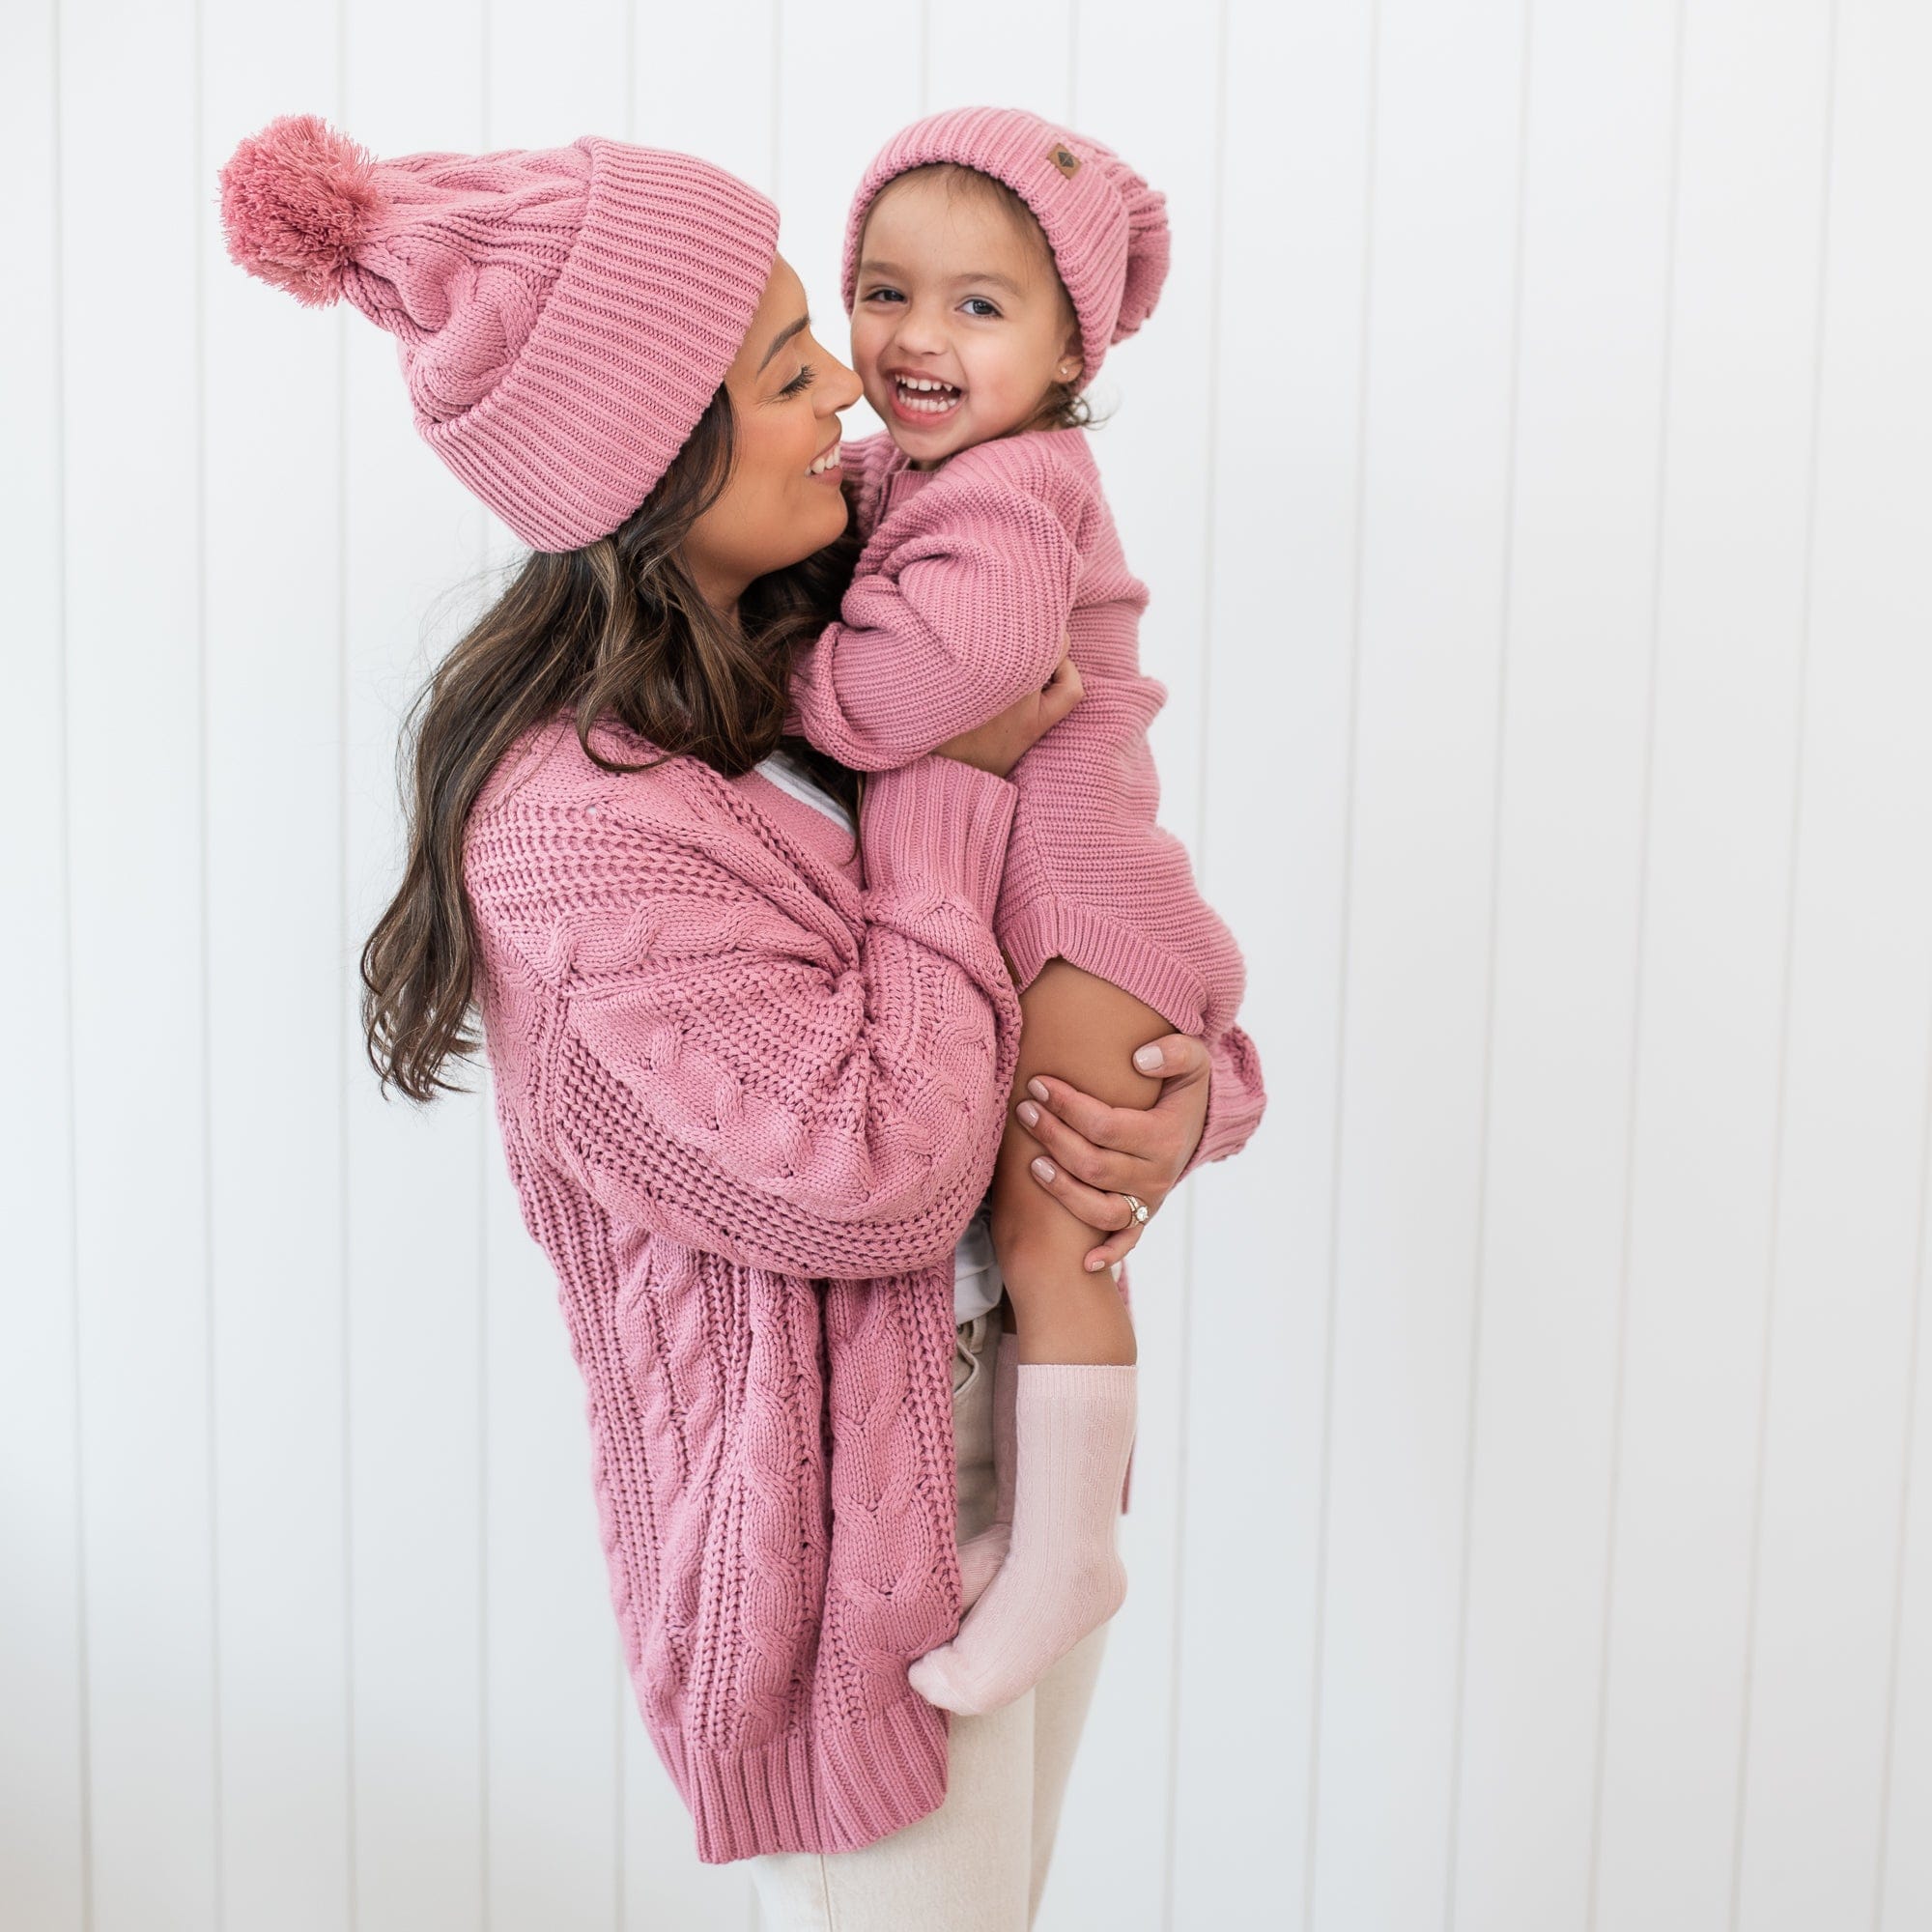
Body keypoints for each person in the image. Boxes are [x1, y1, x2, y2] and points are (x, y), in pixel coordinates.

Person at [216, 111, 1266, 1924]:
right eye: (793, 368)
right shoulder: (583, 818)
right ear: (654, 446)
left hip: (1024, 1435)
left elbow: (1084, 912)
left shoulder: (859, 636)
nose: (848, 398)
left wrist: (1189, 1099)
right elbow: (872, 1174)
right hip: (837, 1539)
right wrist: (947, 788)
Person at [787, 106, 1258, 1719]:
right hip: (1061, 900)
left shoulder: (1009, 492)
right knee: (1051, 1217)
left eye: (979, 306)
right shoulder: (920, 468)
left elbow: (963, 673)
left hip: (1076, 906)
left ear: (1071, 352)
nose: (916, 338)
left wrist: (795, 685)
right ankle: (1050, 1539)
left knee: (1064, 1236)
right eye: (881, 289)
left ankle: (1066, 1551)